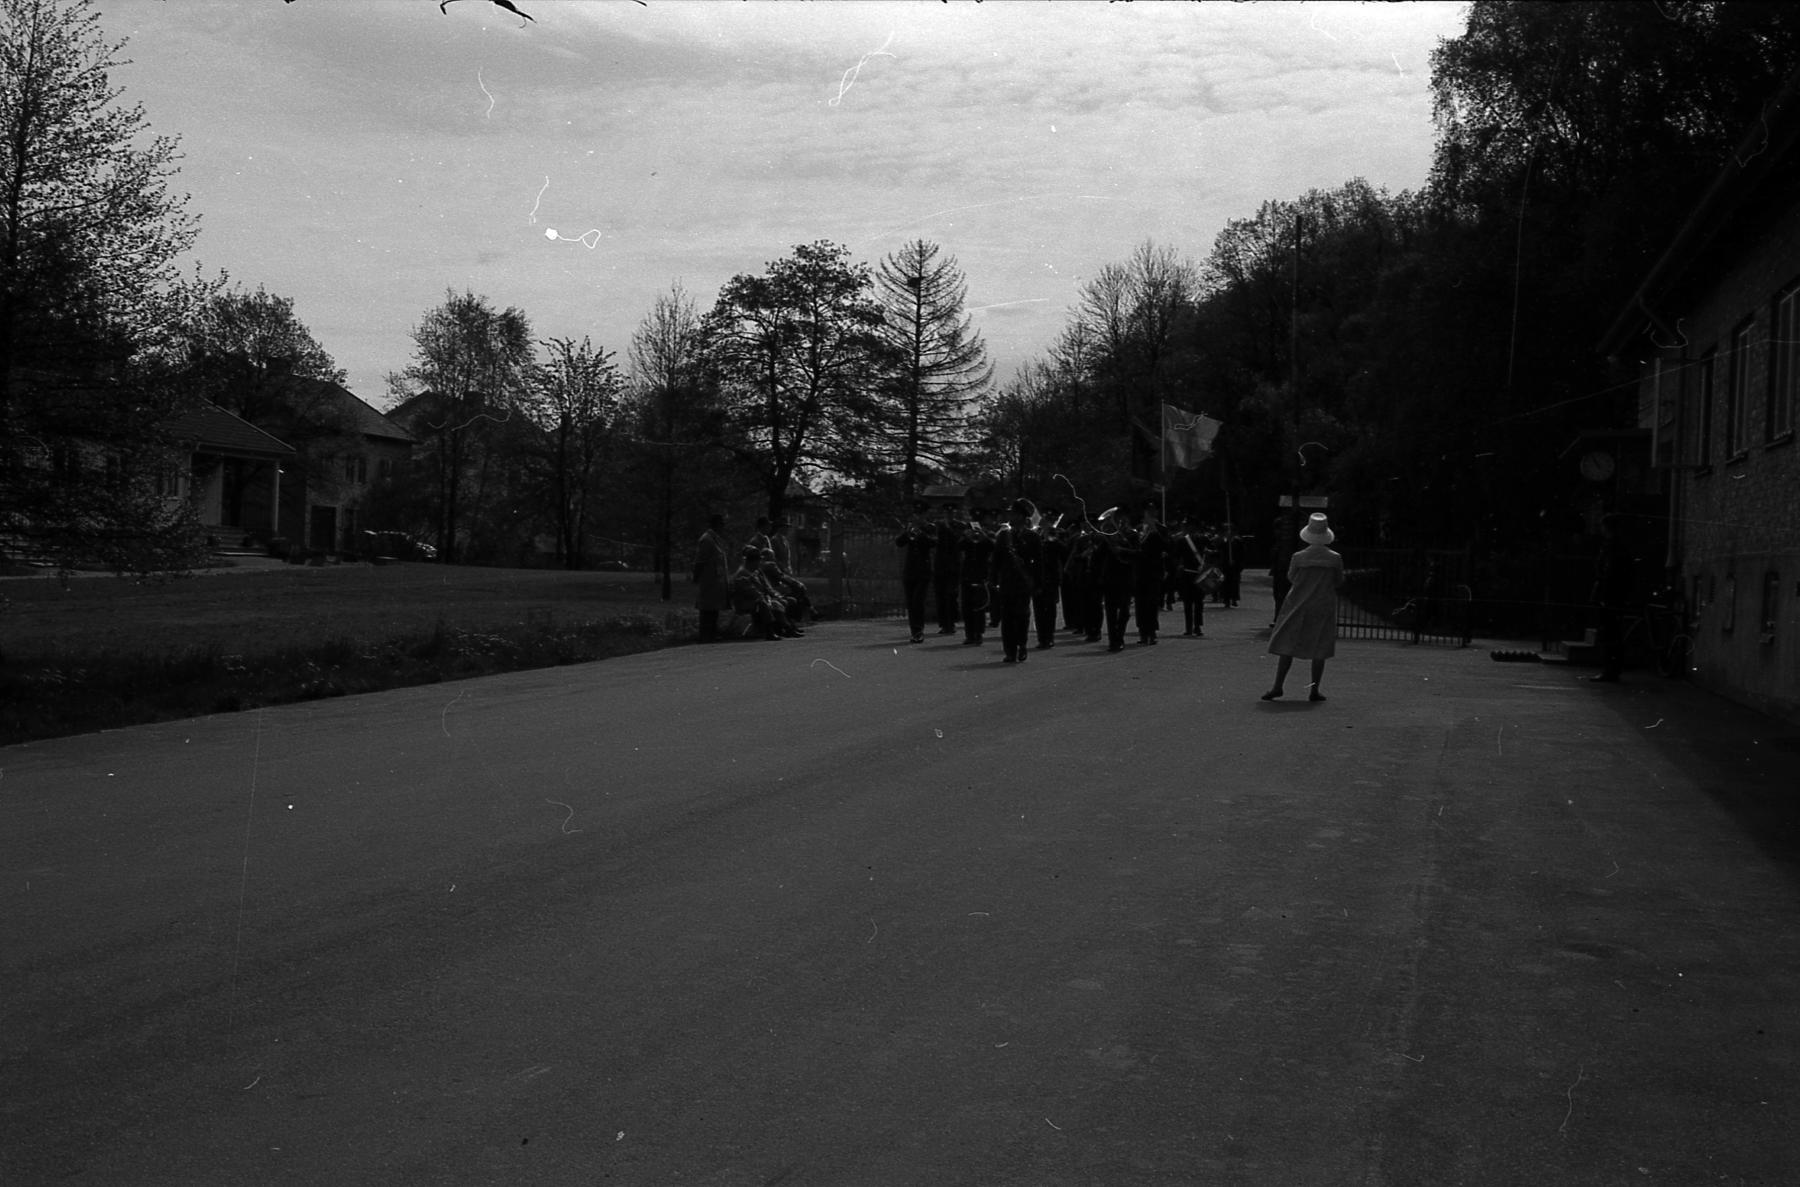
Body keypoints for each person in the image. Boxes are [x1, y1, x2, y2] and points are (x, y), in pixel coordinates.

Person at [1263, 514, 1346, 702]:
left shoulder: (1299, 557)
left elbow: (1291, 577)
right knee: (1320, 648)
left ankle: (1278, 686)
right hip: (1322, 604)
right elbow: (1339, 580)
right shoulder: (1335, 558)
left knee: (1287, 644)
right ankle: (1314, 689)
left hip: (1298, 603)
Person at [1589, 514, 1635, 683]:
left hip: (1610, 595)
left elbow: (1608, 571)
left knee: (1609, 633)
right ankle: (1612, 669)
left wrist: (1603, 594)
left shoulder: (1612, 547)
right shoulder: (1617, 546)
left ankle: (1610, 670)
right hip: (1613, 595)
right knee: (1612, 633)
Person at [994, 498, 1041, 663]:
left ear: (1021, 516)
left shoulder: (1032, 536)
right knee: (1007, 618)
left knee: (1022, 616)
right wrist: (992, 579)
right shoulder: (1003, 536)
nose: (1010, 516)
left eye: (1013, 514)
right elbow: (996, 560)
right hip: (1007, 581)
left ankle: (1022, 644)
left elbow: (1038, 562)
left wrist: (1038, 583)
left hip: (1023, 582)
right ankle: (1010, 651)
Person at [895, 502, 935, 644]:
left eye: (920, 514)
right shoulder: (909, 527)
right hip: (910, 570)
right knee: (911, 603)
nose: (917, 517)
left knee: (918, 601)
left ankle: (919, 631)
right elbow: (899, 542)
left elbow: (933, 542)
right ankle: (914, 632)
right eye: (916, 514)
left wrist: (921, 534)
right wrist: (907, 533)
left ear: (925, 515)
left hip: (923, 570)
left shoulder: (930, 528)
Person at [1099, 509, 1138, 652]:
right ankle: (1113, 640)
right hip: (1110, 577)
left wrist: (1121, 549)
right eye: (1117, 520)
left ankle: (1119, 637)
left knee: (1124, 611)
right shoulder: (1108, 536)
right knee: (1110, 611)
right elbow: (1099, 555)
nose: (1119, 523)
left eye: (1122, 520)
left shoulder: (1132, 535)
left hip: (1125, 576)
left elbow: (1138, 553)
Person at [959, 507, 994, 646]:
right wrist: (967, 537)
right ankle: (969, 634)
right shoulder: (966, 533)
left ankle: (978, 634)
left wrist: (983, 536)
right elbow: (958, 546)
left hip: (981, 574)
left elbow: (993, 547)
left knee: (979, 606)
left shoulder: (988, 533)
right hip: (967, 574)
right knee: (967, 606)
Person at [1032, 513, 1067, 649]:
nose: (1044, 524)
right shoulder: (1036, 536)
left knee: (1050, 610)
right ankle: (1042, 638)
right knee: (1039, 610)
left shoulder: (1055, 537)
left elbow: (1064, 552)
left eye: (1047, 522)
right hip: (1038, 578)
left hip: (1051, 578)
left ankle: (1049, 637)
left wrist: (1054, 539)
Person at [693, 514, 730, 642]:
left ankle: (712, 633)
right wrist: (696, 577)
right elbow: (700, 561)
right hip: (708, 579)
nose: (723, 527)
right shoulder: (706, 540)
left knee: (714, 607)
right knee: (706, 607)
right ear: (716, 525)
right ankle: (705, 634)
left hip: (716, 580)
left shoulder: (716, 539)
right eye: (722, 524)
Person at [1134, 505, 1166, 645]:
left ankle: (1152, 632)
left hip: (1154, 571)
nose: (1150, 514)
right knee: (1140, 603)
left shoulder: (1161, 529)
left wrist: (1156, 531)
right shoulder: (1137, 529)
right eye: (1147, 511)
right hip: (1139, 571)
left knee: (1152, 603)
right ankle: (1142, 632)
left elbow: (1167, 546)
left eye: (1153, 511)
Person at [1173, 516, 1206, 638]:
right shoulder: (1184, 540)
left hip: (1191, 573)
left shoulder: (1184, 540)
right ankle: (1194, 627)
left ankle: (1192, 627)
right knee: (1194, 602)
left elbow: (1176, 556)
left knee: (1193, 602)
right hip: (1193, 573)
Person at [933, 503, 962, 635]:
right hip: (940, 565)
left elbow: (957, 540)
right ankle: (943, 623)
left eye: (951, 513)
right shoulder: (938, 525)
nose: (949, 515)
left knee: (951, 595)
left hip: (953, 565)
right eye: (947, 513)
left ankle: (952, 623)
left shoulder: (959, 526)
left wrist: (948, 527)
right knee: (940, 595)